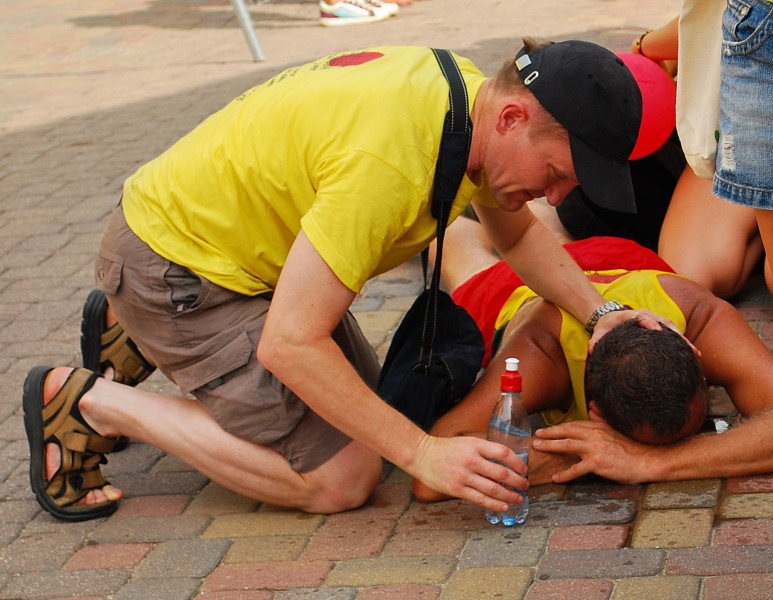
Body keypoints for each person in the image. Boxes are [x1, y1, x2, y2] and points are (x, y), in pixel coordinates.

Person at [23, 40, 681, 522]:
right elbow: (289, 343)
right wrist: (421, 452)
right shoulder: (390, 160)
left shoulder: (466, 103)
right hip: (179, 268)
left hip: (238, 255)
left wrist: (601, 316)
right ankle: (88, 403)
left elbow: (513, 233)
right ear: (512, 118)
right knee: (343, 476)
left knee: (371, 420)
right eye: (558, 172)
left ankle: (139, 331)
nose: (558, 195)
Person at [412, 217, 773, 503]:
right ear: (597, 414)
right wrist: (584, 454)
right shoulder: (541, 353)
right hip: (520, 291)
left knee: (546, 235)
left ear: (695, 353)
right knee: (464, 259)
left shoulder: (699, 315)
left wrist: (649, 462)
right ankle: (443, 218)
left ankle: (538, 218)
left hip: (624, 262)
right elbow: (433, 469)